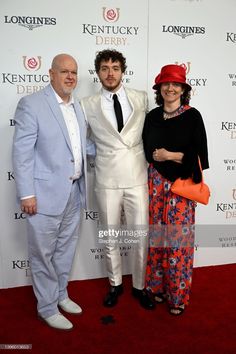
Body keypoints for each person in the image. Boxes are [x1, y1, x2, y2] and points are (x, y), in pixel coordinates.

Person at [12, 53, 95, 330]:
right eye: (64, 72)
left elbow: (80, 147)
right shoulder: (32, 105)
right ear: (50, 73)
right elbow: (22, 153)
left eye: (73, 72)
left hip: (74, 191)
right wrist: (26, 194)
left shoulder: (78, 107)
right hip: (43, 194)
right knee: (43, 254)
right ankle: (46, 307)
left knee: (65, 249)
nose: (70, 77)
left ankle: (60, 294)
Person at [81, 49, 154, 310]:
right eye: (104, 68)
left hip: (137, 176)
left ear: (123, 70)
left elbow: (152, 132)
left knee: (140, 235)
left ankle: (139, 285)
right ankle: (115, 284)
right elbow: (82, 141)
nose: (110, 73)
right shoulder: (86, 104)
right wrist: (103, 151)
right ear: (98, 72)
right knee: (110, 235)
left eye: (115, 67)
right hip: (106, 177)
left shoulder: (141, 98)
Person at [142, 64, 209, 315]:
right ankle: (157, 287)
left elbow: (200, 155)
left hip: (182, 187)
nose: (170, 88)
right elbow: (148, 152)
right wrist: (160, 157)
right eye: (166, 84)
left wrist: (170, 155)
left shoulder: (193, 116)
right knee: (157, 237)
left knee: (179, 242)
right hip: (156, 183)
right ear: (159, 88)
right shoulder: (152, 116)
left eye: (176, 84)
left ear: (183, 89)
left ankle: (177, 296)